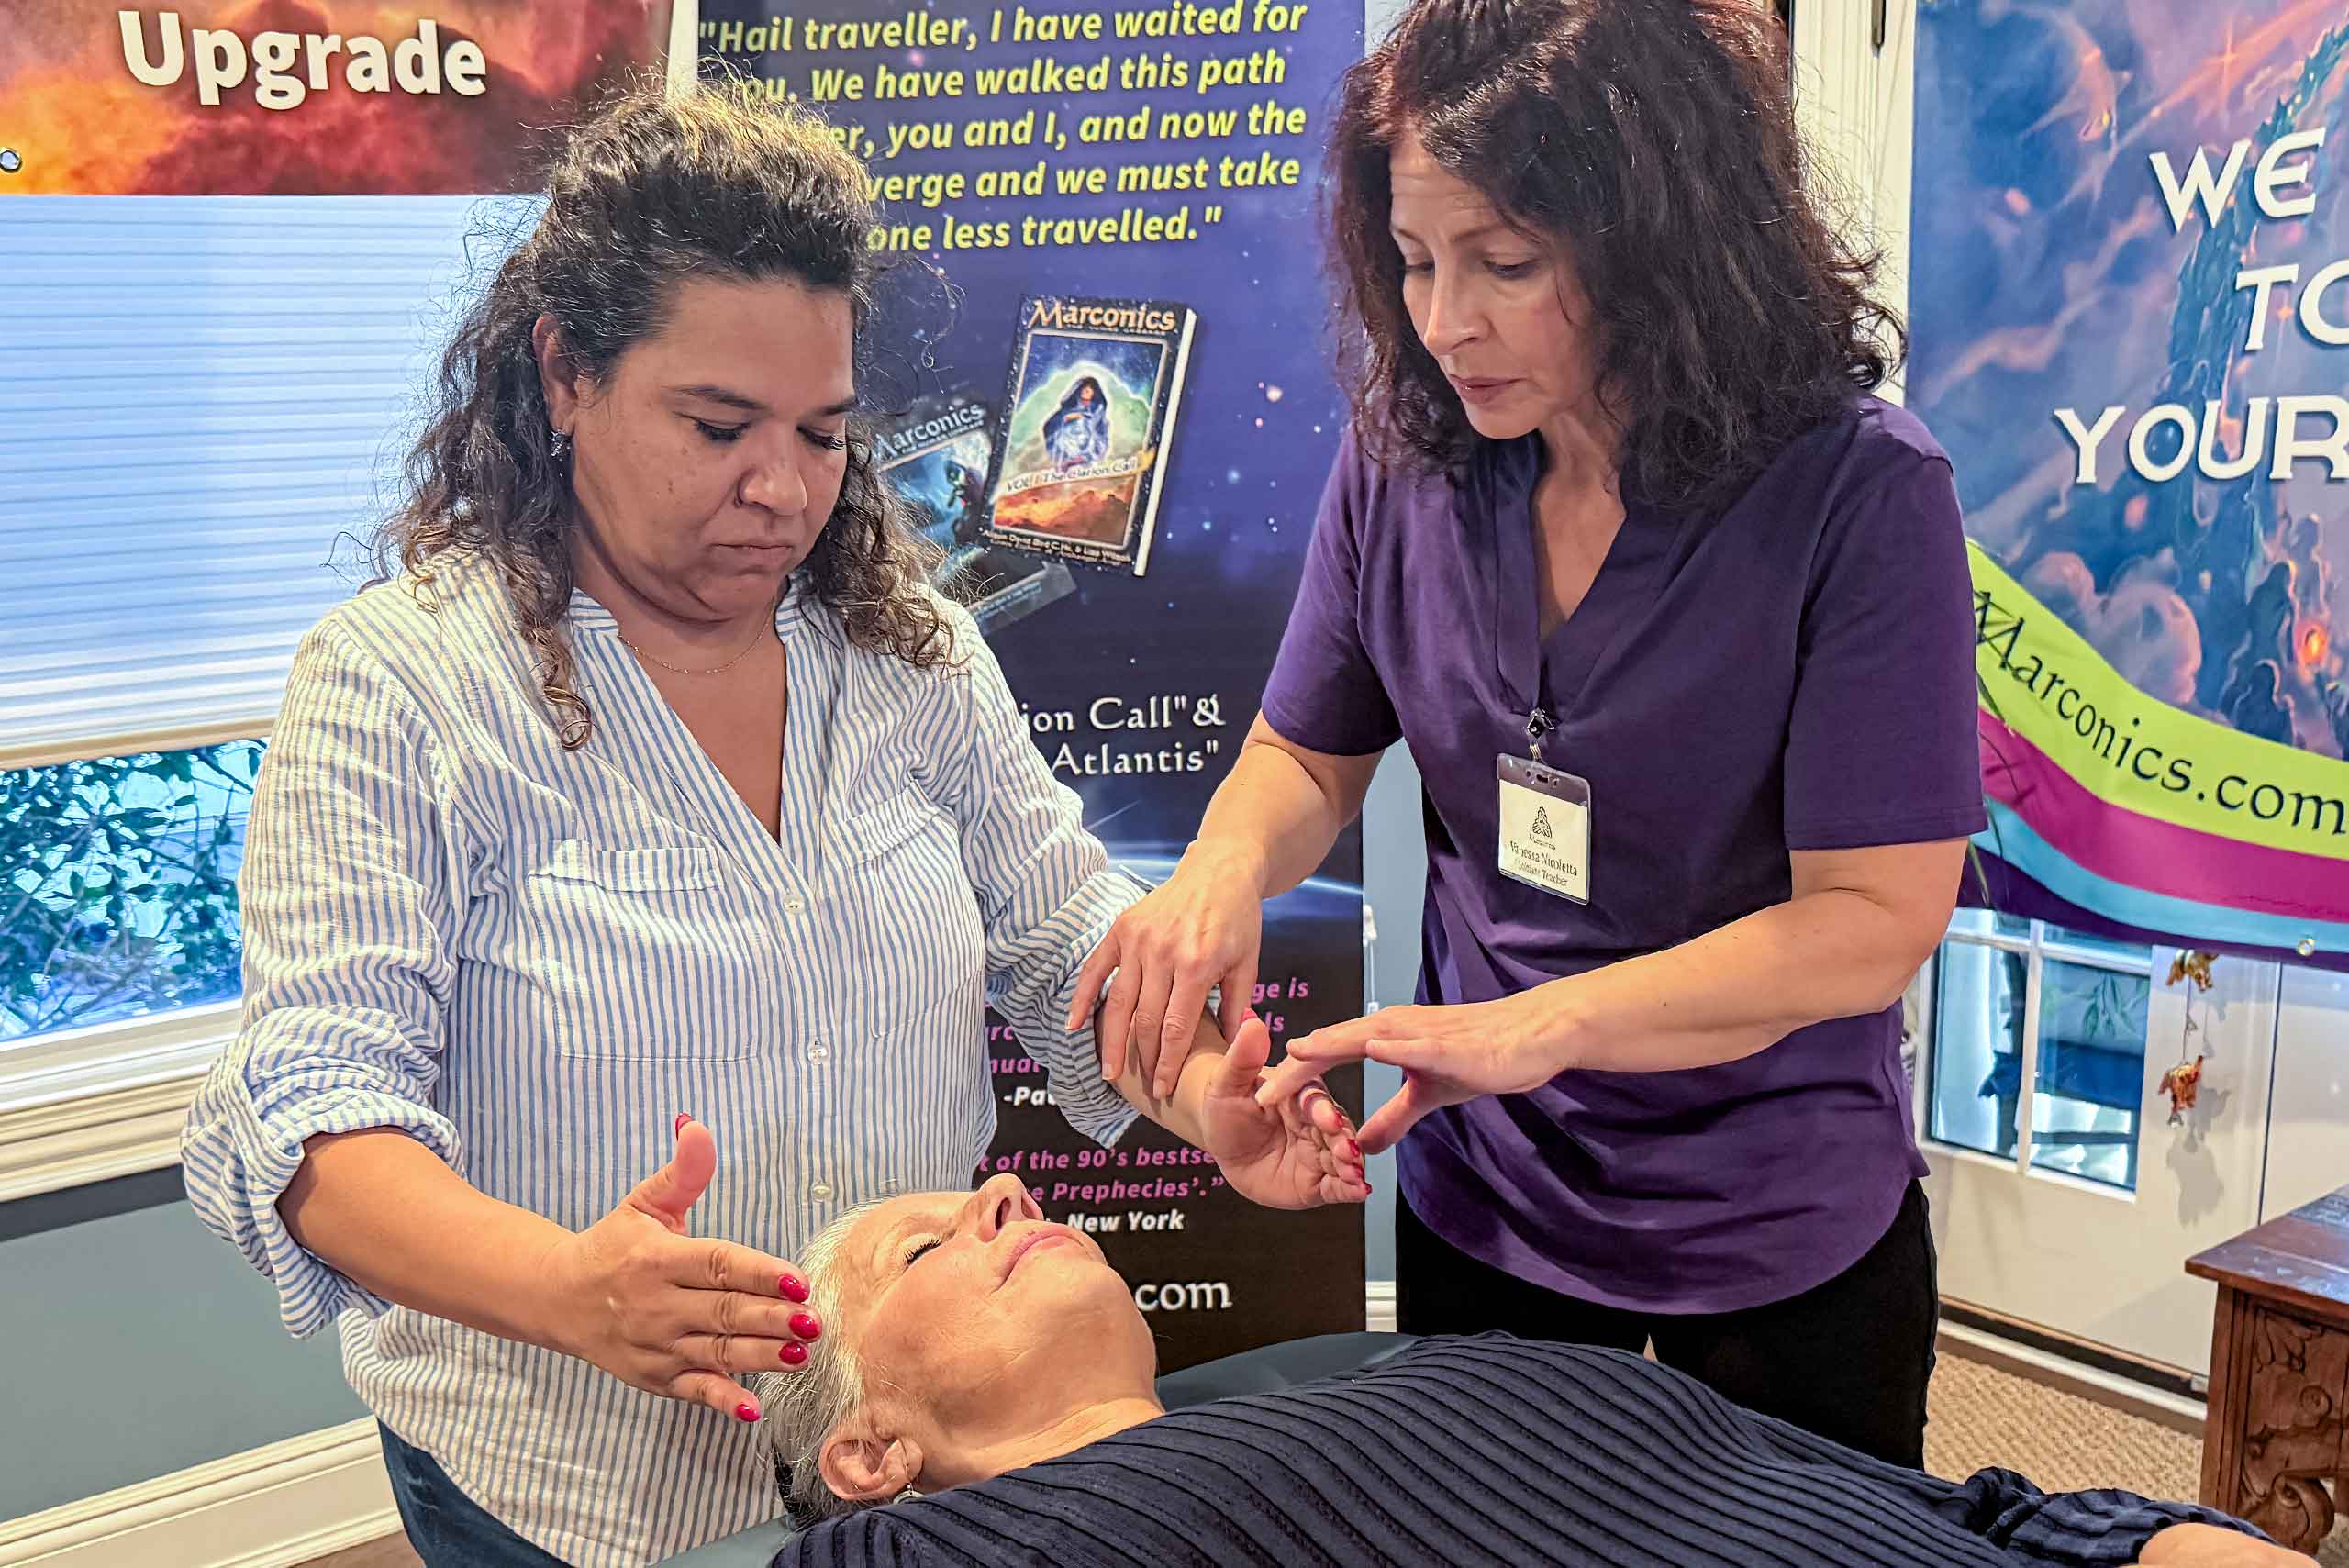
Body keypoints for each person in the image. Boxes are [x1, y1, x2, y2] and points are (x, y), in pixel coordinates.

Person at [179, 83, 1364, 1568]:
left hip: (909, 1470)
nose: (783, 488)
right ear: (562, 371)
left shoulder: (904, 654)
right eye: (718, 423)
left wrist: (1204, 1094)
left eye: (822, 431)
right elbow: (315, 1118)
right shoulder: (403, 687)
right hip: (573, 1484)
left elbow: (1061, 931)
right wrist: (570, 1288)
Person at [1073, 0, 1985, 1468]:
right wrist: (1218, 874)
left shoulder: (1859, 495)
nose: (1445, 323)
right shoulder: (1408, 452)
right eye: (1418, 263)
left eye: (1507, 264)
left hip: (1774, 1225)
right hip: (1485, 1201)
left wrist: (1533, 1028)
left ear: (1663, 244)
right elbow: (1307, 752)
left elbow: (1872, 919)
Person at [753, 1179, 2301, 1567]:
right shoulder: (961, 1541)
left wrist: (2156, 1535)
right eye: (929, 1245)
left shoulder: (1449, 1366)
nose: (1008, 1198)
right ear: (869, 1451)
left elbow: (1967, 1496)